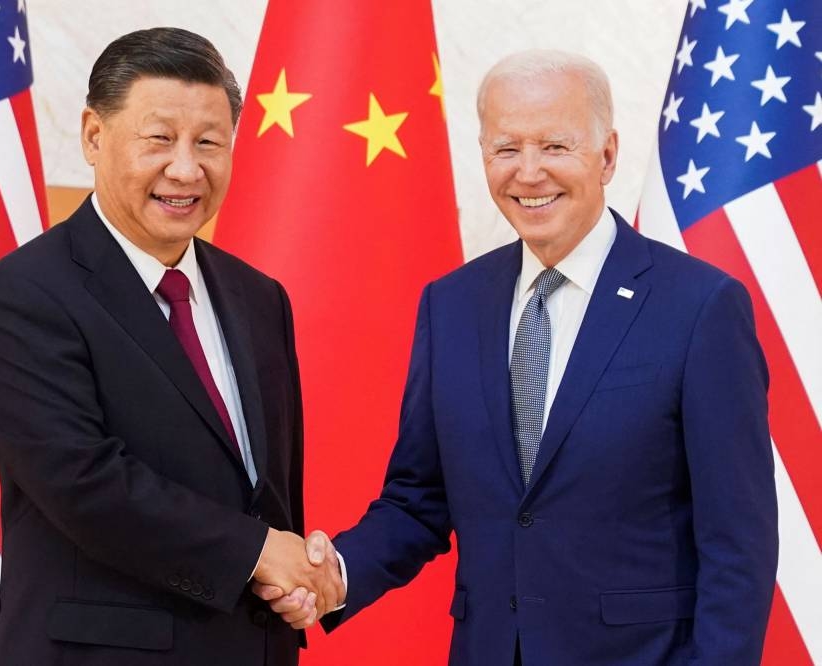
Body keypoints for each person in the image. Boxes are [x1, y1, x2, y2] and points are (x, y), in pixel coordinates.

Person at [258, 50, 778, 665]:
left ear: (607, 155)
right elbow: (419, 499)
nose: (529, 173)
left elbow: (738, 542)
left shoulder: (700, 306)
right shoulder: (451, 303)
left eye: (555, 146)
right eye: (506, 149)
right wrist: (335, 574)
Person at [0, 27, 341, 665]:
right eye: (160, 139)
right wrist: (257, 552)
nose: (186, 169)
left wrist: (295, 580)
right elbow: (84, 483)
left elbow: (266, 495)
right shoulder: (27, 293)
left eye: (209, 142)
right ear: (94, 135)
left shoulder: (259, 297)